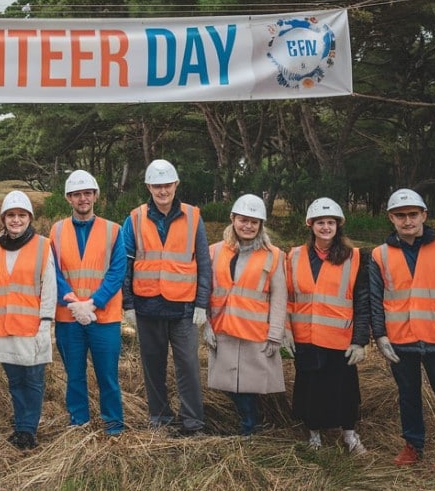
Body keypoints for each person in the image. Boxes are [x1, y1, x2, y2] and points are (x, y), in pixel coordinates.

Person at [370, 188, 435, 474]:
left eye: (413, 215)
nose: (407, 221)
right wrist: (379, 335)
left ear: (424, 215)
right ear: (391, 218)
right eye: (400, 215)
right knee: (408, 396)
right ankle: (413, 446)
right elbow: (375, 300)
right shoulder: (380, 255)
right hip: (400, 340)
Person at [119, 159, 212, 436]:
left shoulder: (193, 217)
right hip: (147, 307)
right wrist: (128, 304)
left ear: (176, 185)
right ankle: (159, 418)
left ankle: (193, 423)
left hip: (183, 308)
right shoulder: (134, 218)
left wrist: (201, 303)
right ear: (149, 186)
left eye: (167, 185)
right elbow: (126, 262)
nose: (162, 191)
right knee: (153, 367)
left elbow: (204, 263)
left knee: (189, 367)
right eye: (157, 186)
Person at [285, 198, 369, 453]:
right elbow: (287, 297)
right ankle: (314, 434)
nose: (325, 227)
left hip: (339, 338)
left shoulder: (354, 257)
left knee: (344, 390)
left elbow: (362, 301)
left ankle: (350, 435)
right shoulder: (295, 255)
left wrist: (360, 339)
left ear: (338, 225)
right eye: (320, 222)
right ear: (311, 225)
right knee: (310, 388)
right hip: (306, 337)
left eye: (330, 222)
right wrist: (286, 331)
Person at [49, 170, 125, 436]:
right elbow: (53, 272)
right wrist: (73, 302)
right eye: (77, 194)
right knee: (75, 377)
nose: (83, 199)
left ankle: (114, 428)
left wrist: (92, 304)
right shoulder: (56, 231)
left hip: (104, 318)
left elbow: (117, 272)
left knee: (108, 377)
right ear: (69, 198)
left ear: (95, 196)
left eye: (87, 193)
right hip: (69, 318)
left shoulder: (114, 230)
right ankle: (78, 425)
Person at [203, 194, 286, 436]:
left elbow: (279, 297)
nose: (248, 226)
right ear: (233, 219)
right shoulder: (215, 251)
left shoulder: (273, 255)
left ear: (261, 224)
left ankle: (251, 425)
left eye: (254, 221)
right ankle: (250, 422)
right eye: (243, 220)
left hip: (254, 331)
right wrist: (207, 324)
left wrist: (275, 334)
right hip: (223, 327)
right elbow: (206, 290)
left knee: (250, 384)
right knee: (228, 383)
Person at [0, 191, 58, 450]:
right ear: (3, 218)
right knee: (15, 380)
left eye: (21, 215)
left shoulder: (42, 245)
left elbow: (49, 286)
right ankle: (20, 425)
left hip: (32, 327)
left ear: (29, 218)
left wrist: (46, 321)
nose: (16, 220)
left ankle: (28, 430)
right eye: (11, 215)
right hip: (3, 326)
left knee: (33, 380)